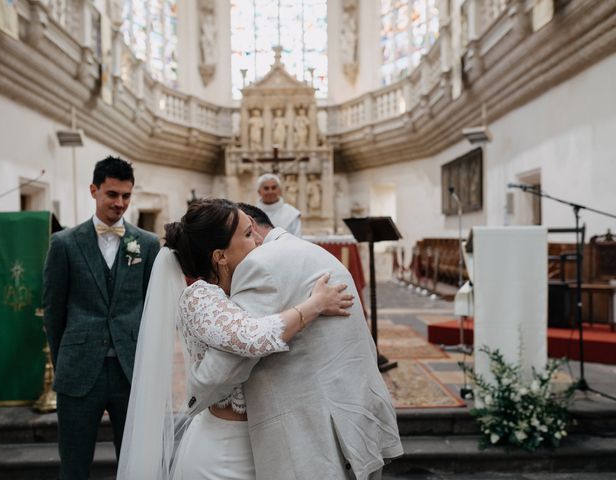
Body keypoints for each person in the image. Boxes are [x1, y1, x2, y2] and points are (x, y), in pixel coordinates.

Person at [117, 198, 354, 479]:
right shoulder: (199, 297)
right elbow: (253, 339)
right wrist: (314, 305)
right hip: (222, 454)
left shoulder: (248, 289)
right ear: (220, 256)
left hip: (268, 446)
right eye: (247, 234)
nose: (257, 240)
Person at [186, 202, 404, 480]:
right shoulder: (310, 251)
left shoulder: (260, 263)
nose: (252, 242)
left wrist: (194, 398)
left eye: (249, 232)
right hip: (356, 417)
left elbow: (229, 365)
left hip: (316, 436)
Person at [43, 156, 160, 479]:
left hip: (130, 369)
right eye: (112, 194)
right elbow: (54, 310)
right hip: (80, 368)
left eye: (126, 196)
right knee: (75, 462)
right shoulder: (64, 244)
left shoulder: (147, 245)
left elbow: (153, 309)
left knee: (136, 462)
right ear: (94, 190)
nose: (120, 203)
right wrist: (64, 357)